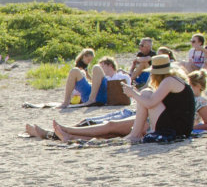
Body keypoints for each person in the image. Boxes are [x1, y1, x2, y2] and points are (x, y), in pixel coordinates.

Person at [51, 54, 196, 145]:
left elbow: (151, 103)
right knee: (143, 95)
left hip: (175, 128)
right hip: (178, 126)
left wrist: (133, 94)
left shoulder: (169, 81)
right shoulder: (175, 81)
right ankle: (70, 134)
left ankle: (134, 134)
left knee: (145, 94)